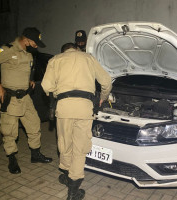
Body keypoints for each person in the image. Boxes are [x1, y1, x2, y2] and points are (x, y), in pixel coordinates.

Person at [41, 43, 112, 200]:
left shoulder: (55, 59)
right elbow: (106, 81)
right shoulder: (88, 58)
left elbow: (46, 85)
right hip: (84, 108)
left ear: (63, 51)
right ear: (77, 49)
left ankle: (67, 175)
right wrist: (102, 98)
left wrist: (55, 96)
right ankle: (73, 191)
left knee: (65, 143)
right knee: (80, 148)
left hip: (63, 107)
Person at [0, 27, 52, 174]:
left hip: (25, 97)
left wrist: (30, 80)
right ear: (26, 39)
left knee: (34, 125)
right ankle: (12, 160)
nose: (37, 45)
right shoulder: (7, 50)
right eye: (35, 42)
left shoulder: (28, 52)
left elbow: (25, 70)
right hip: (10, 99)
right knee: (10, 131)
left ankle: (35, 154)